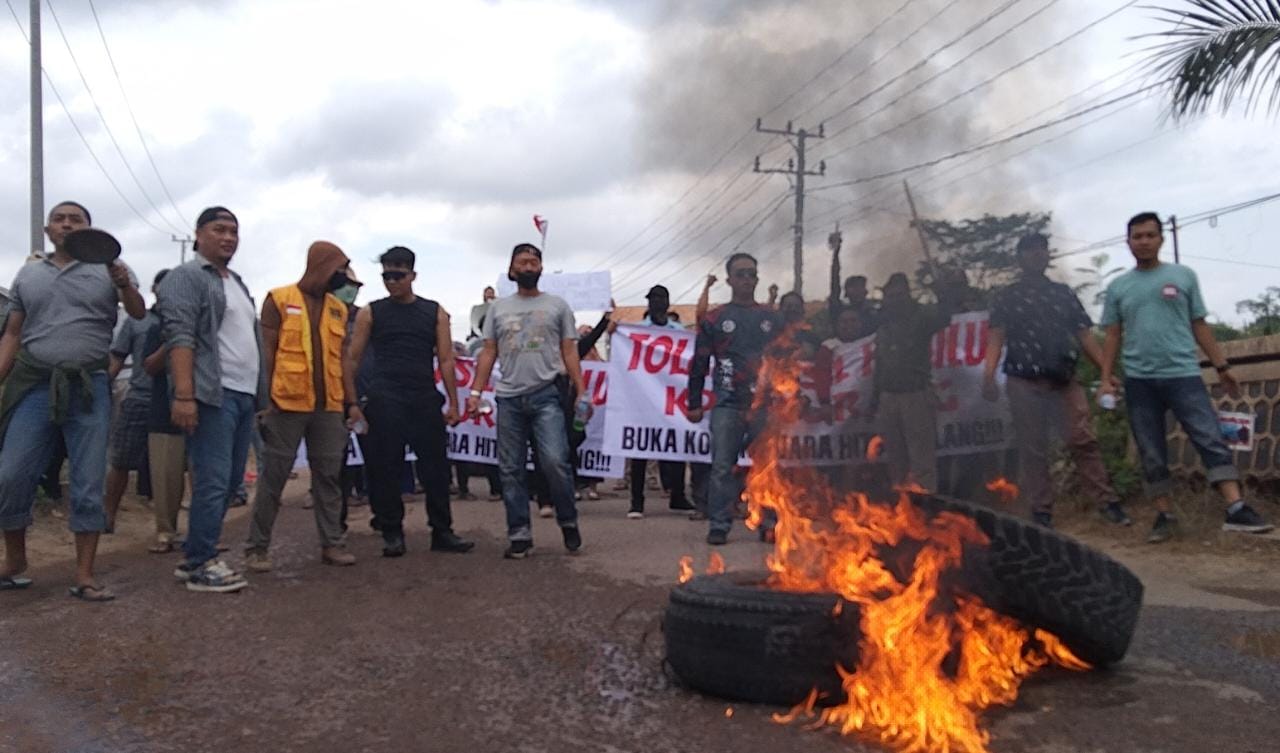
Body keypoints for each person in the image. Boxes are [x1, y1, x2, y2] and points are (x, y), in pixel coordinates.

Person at [1098, 212, 1273, 543]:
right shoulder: (1119, 287)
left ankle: (1236, 509)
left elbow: (1199, 325)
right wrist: (1106, 378)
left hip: (1183, 374)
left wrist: (1222, 367)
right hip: (1139, 380)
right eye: (1137, 236)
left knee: (1208, 437)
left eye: (1150, 235)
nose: (1144, 241)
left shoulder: (1183, 276)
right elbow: (1112, 336)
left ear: (1161, 239)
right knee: (1150, 449)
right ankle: (1165, 516)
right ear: (1128, 242)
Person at [0, 201, 144, 600]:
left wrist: (122, 283)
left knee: (87, 481)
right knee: (10, 475)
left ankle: (84, 575)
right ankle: (15, 562)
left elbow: (137, 312)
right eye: (59, 219)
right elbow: (12, 334)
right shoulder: (28, 274)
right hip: (34, 385)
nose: (66, 224)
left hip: (89, 387)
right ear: (48, 231)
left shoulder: (111, 270)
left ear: (88, 231)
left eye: (75, 219)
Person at [983, 233, 1129, 529]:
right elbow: (996, 337)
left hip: (1064, 380)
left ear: (1048, 255)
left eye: (1042, 250)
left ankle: (1107, 503)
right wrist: (988, 375)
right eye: (1030, 251)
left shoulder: (1063, 294)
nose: (1037, 255)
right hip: (1023, 380)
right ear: (1020, 259)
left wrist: (1105, 372)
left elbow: (1084, 335)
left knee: (1082, 440)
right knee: (1033, 447)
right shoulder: (1006, 297)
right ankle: (1042, 511)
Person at [157, 206, 265, 593]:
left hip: (241, 394)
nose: (228, 237)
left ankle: (197, 556)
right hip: (210, 394)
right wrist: (185, 396)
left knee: (232, 480)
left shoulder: (234, 280)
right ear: (198, 234)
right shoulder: (186, 277)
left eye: (234, 231)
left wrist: (260, 397)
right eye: (219, 229)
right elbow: (180, 337)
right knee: (214, 480)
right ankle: (200, 561)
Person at [345, 247, 474, 557]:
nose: (392, 281)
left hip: (423, 397)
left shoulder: (435, 312)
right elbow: (352, 358)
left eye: (398, 275)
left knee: (436, 469)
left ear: (412, 275)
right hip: (384, 397)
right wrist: (351, 402)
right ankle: (391, 531)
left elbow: (445, 359)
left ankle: (442, 531)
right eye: (387, 275)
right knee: (384, 468)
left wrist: (453, 404)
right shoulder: (371, 312)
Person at [242, 242, 360, 572]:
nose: (343, 276)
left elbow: (344, 360)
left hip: (329, 407)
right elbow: (266, 352)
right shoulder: (278, 299)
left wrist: (352, 403)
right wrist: (264, 401)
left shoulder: (339, 308)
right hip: (286, 403)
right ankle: (256, 548)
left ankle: (332, 544)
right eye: (339, 268)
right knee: (273, 478)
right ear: (321, 265)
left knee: (329, 479)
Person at [466, 243, 584, 559]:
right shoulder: (497, 310)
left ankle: (568, 520)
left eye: (534, 261)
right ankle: (519, 534)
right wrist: (475, 393)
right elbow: (489, 351)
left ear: (541, 269)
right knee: (510, 469)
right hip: (509, 399)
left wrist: (581, 390)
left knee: (555, 462)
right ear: (512, 270)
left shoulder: (558, 306)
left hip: (547, 395)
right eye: (523, 262)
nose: (529, 266)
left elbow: (570, 350)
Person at [686, 253, 782, 545]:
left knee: (767, 464)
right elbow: (700, 363)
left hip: (763, 405)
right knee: (722, 467)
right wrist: (693, 402)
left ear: (757, 279)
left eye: (751, 274)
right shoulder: (716, 318)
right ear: (729, 279)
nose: (746, 279)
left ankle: (769, 522)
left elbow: (784, 359)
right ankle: (719, 524)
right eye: (740, 274)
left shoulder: (770, 317)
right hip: (727, 403)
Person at [871, 272, 956, 492]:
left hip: (915, 395)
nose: (895, 300)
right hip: (888, 397)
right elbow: (879, 366)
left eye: (899, 295)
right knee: (896, 458)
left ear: (907, 295)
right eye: (891, 296)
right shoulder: (883, 324)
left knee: (921, 458)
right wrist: (875, 401)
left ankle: (924, 507)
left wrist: (942, 292)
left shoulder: (921, 319)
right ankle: (902, 508)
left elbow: (945, 317)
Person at [628, 285, 700, 519]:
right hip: (645, 398)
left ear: (668, 302)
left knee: (676, 445)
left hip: (671, 397)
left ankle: (677, 496)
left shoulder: (678, 331)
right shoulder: (637, 330)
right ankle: (636, 502)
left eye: (660, 298)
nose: (656, 302)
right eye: (653, 299)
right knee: (641, 448)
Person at [103, 272, 165, 532]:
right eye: (163, 289)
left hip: (175, 402)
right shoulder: (137, 322)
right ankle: (107, 517)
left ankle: (173, 524)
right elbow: (117, 357)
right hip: (139, 397)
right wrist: (101, 386)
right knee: (121, 461)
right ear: (155, 290)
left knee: (181, 465)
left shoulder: (189, 321)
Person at [139, 271, 187, 553]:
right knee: (165, 475)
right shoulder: (155, 328)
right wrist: (172, 342)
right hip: (163, 410)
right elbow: (148, 366)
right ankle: (165, 531)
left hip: (203, 408)